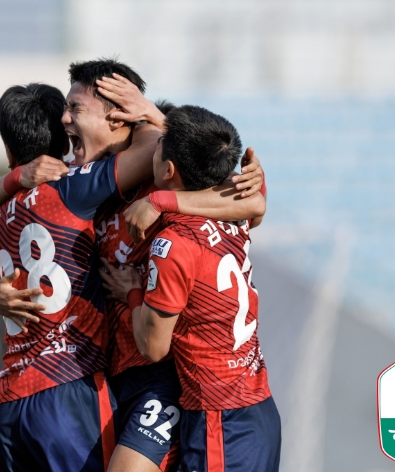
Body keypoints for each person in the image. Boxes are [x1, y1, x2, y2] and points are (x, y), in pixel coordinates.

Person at [0, 59, 266, 472]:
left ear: (118, 117)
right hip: (111, 378)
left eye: (75, 109)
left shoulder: (163, 184)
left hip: (166, 379)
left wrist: (158, 178)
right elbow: (9, 225)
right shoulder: (88, 190)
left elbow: (250, 204)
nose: (64, 120)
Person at [0, 81, 161, 472]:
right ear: (65, 142)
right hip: (67, 387)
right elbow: (153, 149)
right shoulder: (72, 186)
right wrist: (143, 110)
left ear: (8, 150)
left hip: (10, 402)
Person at [103, 105, 281, 472]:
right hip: (258, 409)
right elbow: (256, 200)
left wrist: (131, 292)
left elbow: (153, 347)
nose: (152, 147)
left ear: (168, 170)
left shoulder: (173, 244)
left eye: (159, 145)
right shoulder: (236, 213)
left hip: (220, 417)